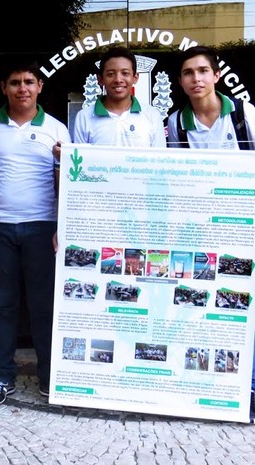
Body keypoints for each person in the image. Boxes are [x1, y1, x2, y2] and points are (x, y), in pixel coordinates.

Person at [0, 60, 70, 405]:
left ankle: (48, 376)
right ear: (4, 88)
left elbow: (65, 184)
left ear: (40, 86)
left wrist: (62, 227)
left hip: (42, 229)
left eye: (29, 81)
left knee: (43, 306)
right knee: (4, 304)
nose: (22, 88)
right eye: (15, 81)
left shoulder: (57, 129)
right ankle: (3, 376)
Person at [166, 45, 255, 416]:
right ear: (181, 81)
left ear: (216, 76)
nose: (196, 79)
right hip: (199, 229)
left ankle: (248, 387)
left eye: (203, 71)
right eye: (188, 73)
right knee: (202, 306)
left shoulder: (245, 114)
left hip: (244, 224)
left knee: (245, 304)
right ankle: (206, 385)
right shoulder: (174, 122)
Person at [73, 46, 166, 147]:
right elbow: (79, 159)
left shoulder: (152, 115)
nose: (118, 79)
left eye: (125, 73)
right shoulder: (84, 117)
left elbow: (159, 159)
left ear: (135, 78)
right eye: (110, 74)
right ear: (100, 79)